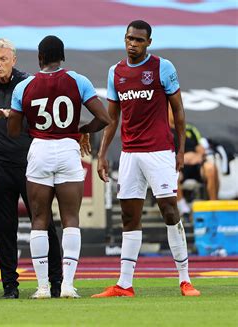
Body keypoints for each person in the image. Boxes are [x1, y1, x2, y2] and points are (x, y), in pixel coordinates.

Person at [0, 35, 111, 298]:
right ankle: (67, 284)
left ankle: (43, 286)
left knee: (39, 220)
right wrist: (82, 130)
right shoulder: (79, 81)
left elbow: (12, 131)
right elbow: (104, 118)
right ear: (62, 57)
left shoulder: (25, 86)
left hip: (40, 150)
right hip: (68, 148)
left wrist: (19, 118)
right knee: (70, 220)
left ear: (39, 57)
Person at [93, 20, 201, 298]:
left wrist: (179, 150)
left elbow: (178, 112)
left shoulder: (162, 68)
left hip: (159, 152)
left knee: (169, 210)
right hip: (130, 154)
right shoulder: (115, 72)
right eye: (129, 38)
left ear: (148, 43)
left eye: (139, 40)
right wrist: (103, 154)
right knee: (129, 217)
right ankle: (125, 284)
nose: (133, 44)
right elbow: (112, 117)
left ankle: (185, 280)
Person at [0, 38, 63, 299]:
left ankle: (57, 282)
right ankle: (9, 286)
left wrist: (8, 114)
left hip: (31, 164)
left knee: (44, 223)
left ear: (14, 60)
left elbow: (40, 118)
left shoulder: (29, 84)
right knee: (4, 228)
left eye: (3, 59)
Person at [168, 111, 219, 214]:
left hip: (196, 164)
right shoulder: (163, 131)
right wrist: (181, 157)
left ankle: (214, 206)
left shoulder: (190, 129)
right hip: (177, 166)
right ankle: (183, 209)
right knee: (172, 174)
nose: (175, 111)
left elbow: (201, 148)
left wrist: (198, 156)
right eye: (171, 108)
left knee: (211, 168)